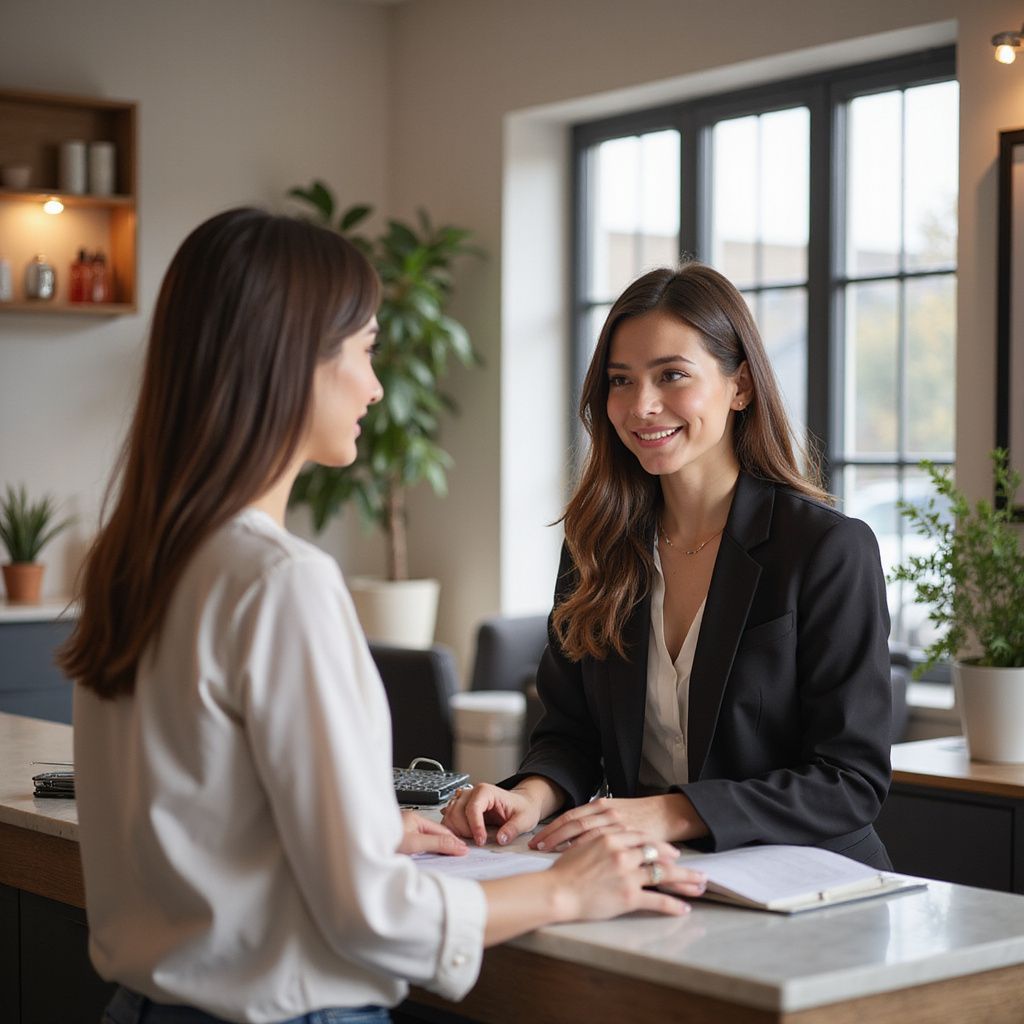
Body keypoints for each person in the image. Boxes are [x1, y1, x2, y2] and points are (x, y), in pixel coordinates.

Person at [59, 209, 708, 1024]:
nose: (374, 385)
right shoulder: (277, 581)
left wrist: (360, 828)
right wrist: (565, 891)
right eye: (364, 350)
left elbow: (191, 815)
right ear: (289, 361)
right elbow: (368, 915)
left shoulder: (134, 561)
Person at [442, 263, 893, 870]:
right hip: (653, 879)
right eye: (620, 381)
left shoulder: (827, 549)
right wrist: (528, 795)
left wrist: (671, 811)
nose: (642, 406)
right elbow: (569, 734)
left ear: (741, 387)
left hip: (811, 885)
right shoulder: (596, 544)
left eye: (672, 375)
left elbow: (849, 780)